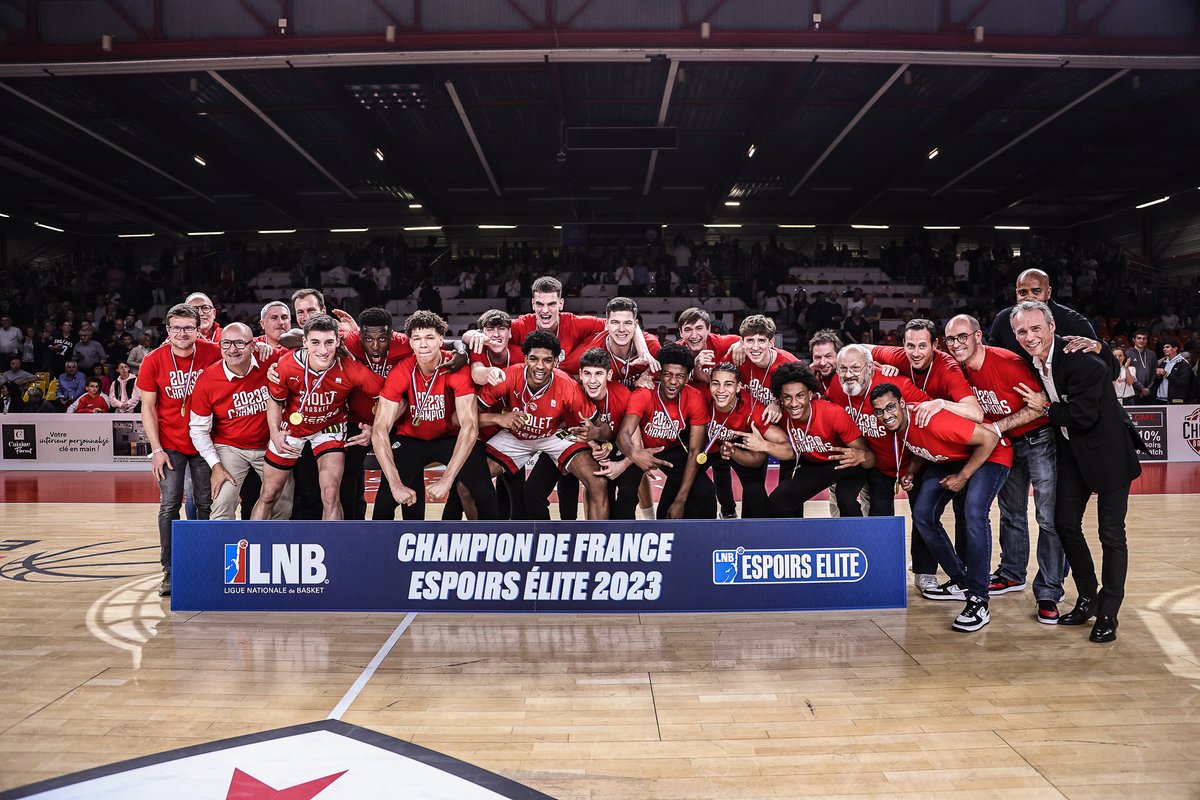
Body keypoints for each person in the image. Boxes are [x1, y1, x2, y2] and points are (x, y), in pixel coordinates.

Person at [1011, 300, 1143, 643]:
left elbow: (1083, 416)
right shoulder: (1030, 357)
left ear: (1052, 327)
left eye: (1035, 328)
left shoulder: (1080, 360)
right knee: (1064, 523)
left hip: (1109, 453)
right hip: (1073, 453)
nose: (1029, 336)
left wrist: (1046, 408)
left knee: (1111, 534)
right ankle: (1088, 597)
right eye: (1022, 331)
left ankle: (1109, 613)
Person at [945, 314, 1065, 623]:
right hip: (1006, 444)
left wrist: (997, 426)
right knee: (1011, 512)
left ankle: (1050, 590)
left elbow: (1038, 405)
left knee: (1047, 516)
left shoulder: (1007, 362)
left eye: (963, 337)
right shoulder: (958, 370)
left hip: (1038, 439)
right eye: (951, 339)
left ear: (978, 336)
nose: (957, 344)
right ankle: (1012, 573)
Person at [872, 382, 1010, 632]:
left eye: (890, 407)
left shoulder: (932, 420)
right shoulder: (900, 425)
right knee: (923, 514)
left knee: (974, 514)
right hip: (953, 458)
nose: (886, 414)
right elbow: (922, 446)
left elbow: (989, 439)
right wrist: (912, 471)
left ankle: (979, 600)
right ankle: (961, 580)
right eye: (879, 411)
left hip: (991, 455)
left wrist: (964, 476)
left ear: (903, 404)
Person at [372, 311, 498, 521]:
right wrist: (395, 485)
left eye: (429, 338)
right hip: (411, 438)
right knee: (384, 502)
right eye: (417, 339)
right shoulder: (401, 372)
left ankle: (495, 542)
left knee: (483, 491)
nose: (423, 345)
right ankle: (381, 551)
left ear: (441, 339)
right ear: (410, 342)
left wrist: (446, 481)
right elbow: (379, 429)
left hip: (449, 437)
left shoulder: (456, 368)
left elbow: (470, 427)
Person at [255, 314, 383, 521]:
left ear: (338, 341)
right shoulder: (286, 365)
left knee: (331, 495)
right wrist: (275, 433)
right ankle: (251, 547)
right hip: (291, 430)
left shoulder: (349, 367)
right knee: (269, 495)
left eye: (329, 343)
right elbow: (276, 401)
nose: (323, 351)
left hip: (329, 428)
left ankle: (335, 550)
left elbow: (391, 397)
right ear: (304, 342)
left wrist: (373, 427)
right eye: (315, 342)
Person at [136, 303, 223, 597]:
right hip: (170, 445)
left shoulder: (214, 352)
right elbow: (147, 408)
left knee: (205, 504)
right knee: (169, 504)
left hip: (205, 443)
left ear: (198, 329)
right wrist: (156, 449)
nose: (182, 333)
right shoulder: (153, 360)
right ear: (168, 330)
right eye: (176, 328)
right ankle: (171, 570)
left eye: (188, 327)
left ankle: (207, 563)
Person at [481, 330, 610, 519]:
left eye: (547, 360)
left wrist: (596, 433)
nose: (539, 366)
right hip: (515, 436)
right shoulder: (508, 377)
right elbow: (462, 418)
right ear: (525, 359)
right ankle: (483, 541)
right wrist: (497, 419)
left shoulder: (567, 385)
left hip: (553, 435)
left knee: (598, 482)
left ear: (556, 362)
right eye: (534, 359)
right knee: (468, 486)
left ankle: (598, 543)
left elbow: (604, 428)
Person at [736, 362, 874, 518]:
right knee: (776, 504)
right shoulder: (781, 414)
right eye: (787, 397)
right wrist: (763, 445)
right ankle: (792, 540)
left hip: (843, 465)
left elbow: (868, 458)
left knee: (846, 501)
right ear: (780, 398)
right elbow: (787, 452)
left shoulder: (833, 414)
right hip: (813, 465)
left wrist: (862, 456)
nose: (794, 403)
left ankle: (856, 540)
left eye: (800, 396)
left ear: (810, 394)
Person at [188, 322, 293, 521]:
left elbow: (301, 351)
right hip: (231, 447)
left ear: (253, 345)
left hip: (271, 445)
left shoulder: (270, 359)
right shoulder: (207, 380)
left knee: (283, 503)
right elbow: (198, 430)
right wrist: (216, 467)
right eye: (226, 343)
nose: (232, 349)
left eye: (239, 343)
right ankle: (219, 549)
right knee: (222, 501)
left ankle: (268, 547)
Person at [822, 344, 930, 517]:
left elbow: (929, 410)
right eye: (843, 369)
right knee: (879, 519)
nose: (849, 375)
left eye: (856, 368)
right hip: (877, 467)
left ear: (870, 367)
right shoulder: (837, 385)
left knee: (923, 520)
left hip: (913, 464)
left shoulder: (896, 384)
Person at [618, 344, 714, 519]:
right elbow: (623, 435)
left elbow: (694, 451)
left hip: (671, 450)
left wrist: (680, 501)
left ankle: (706, 541)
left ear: (687, 378)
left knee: (705, 490)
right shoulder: (644, 393)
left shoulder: (694, 397)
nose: (673, 381)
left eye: (680, 376)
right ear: (660, 374)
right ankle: (623, 540)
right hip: (640, 449)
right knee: (626, 492)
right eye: (668, 374)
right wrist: (635, 454)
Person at [1153, 338, 1193, 402]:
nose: (1164, 349)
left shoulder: (1183, 364)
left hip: (1175, 399)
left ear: (1175, 348)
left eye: (1167, 347)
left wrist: (1165, 374)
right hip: (1160, 398)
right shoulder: (1163, 362)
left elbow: (1182, 382)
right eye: (1163, 347)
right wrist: (1158, 376)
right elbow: (1156, 381)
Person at [1123, 330, 1155, 405]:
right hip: (1134, 393)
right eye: (1139, 338)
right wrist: (1141, 388)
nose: (1142, 341)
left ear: (1147, 340)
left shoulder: (1152, 354)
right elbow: (1127, 373)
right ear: (1134, 339)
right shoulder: (1128, 353)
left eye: (1144, 338)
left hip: (1149, 393)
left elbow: (1155, 373)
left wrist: (1149, 388)